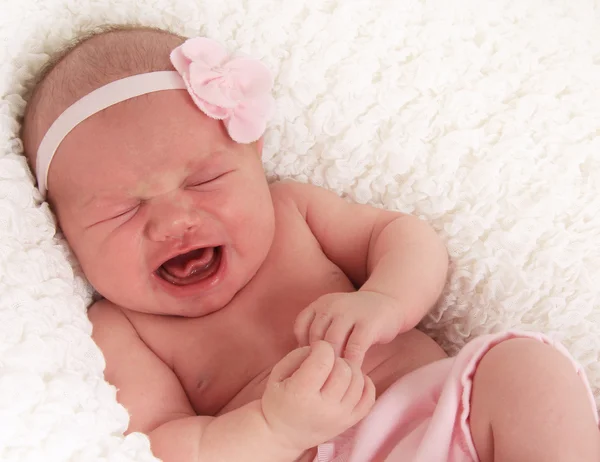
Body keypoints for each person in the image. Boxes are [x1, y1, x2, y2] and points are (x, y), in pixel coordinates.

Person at [21, 25, 600, 462]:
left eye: (204, 181)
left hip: (442, 416)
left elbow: (405, 237)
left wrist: (385, 302)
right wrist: (275, 429)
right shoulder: (121, 329)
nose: (174, 222)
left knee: (525, 368)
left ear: (254, 159)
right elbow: (167, 444)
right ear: (63, 232)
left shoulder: (292, 210)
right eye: (122, 210)